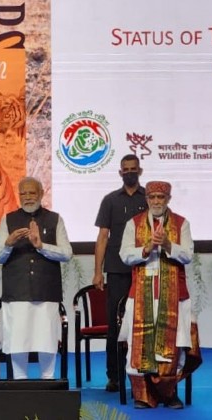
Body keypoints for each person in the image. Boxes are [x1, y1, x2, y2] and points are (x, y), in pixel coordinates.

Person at [118, 181, 201, 409]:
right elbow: (125, 255)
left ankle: (169, 393)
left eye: (160, 198)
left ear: (168, 199)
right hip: (141, 295)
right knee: (139, 345)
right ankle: (143, 395)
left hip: (174, 296)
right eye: (152, 197)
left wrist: (167, 244)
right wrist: (144, 249)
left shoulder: (181, 224)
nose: (156, 201)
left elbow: (188, 255)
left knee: (175, 344)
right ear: (147, 199)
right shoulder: (133, 224)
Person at [0, 176, 73, 379]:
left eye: (32, 193)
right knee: (18, 340)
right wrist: (8, 243)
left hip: (46, 290)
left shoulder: (55, 219)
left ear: (41, 194)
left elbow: (66, 253)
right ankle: (20, 383)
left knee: (46, 339)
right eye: (23, 193)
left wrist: (41, 246)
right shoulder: (8, 219)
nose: (28, 197)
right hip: (17, 291)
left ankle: (48, 380)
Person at [93, 154, 147, 392]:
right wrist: (97, 272)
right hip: (116, 271)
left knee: (145, 323)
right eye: (125, 169)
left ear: (140, 171)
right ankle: (114, 377)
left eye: (133, 169)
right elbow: (102, 237)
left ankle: (145, 374)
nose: (129, 172)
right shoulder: (110, 200)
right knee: (115, 325)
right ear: (120, 173)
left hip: (145, 270)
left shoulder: (151, 198)